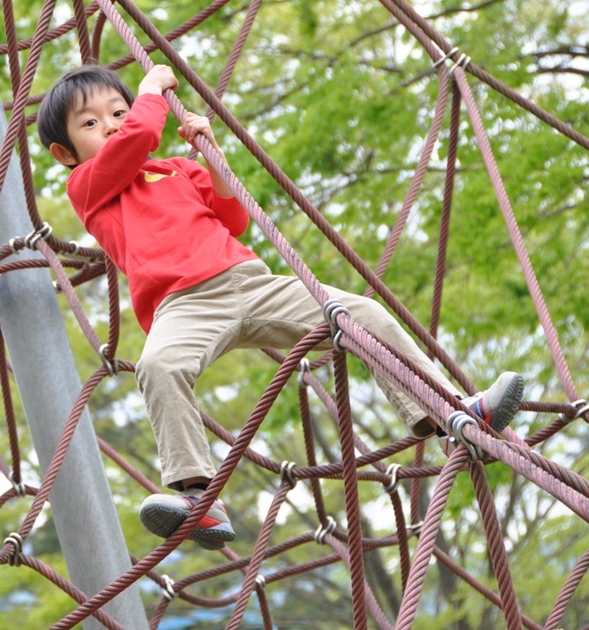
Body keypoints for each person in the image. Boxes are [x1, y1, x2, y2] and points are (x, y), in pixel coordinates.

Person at [36, 63, 523, 550]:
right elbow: (137, 136)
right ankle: (197, 497)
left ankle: (450, 414)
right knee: (158, 365)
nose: (114, 124)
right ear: (65, 153)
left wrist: (214, 161)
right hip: (182, 305)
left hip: (250, 283)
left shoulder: (177, 170)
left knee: (363, 314)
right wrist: (148, 95)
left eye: (118, 111)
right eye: (91, 123)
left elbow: (233, 218)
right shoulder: (90, 186)